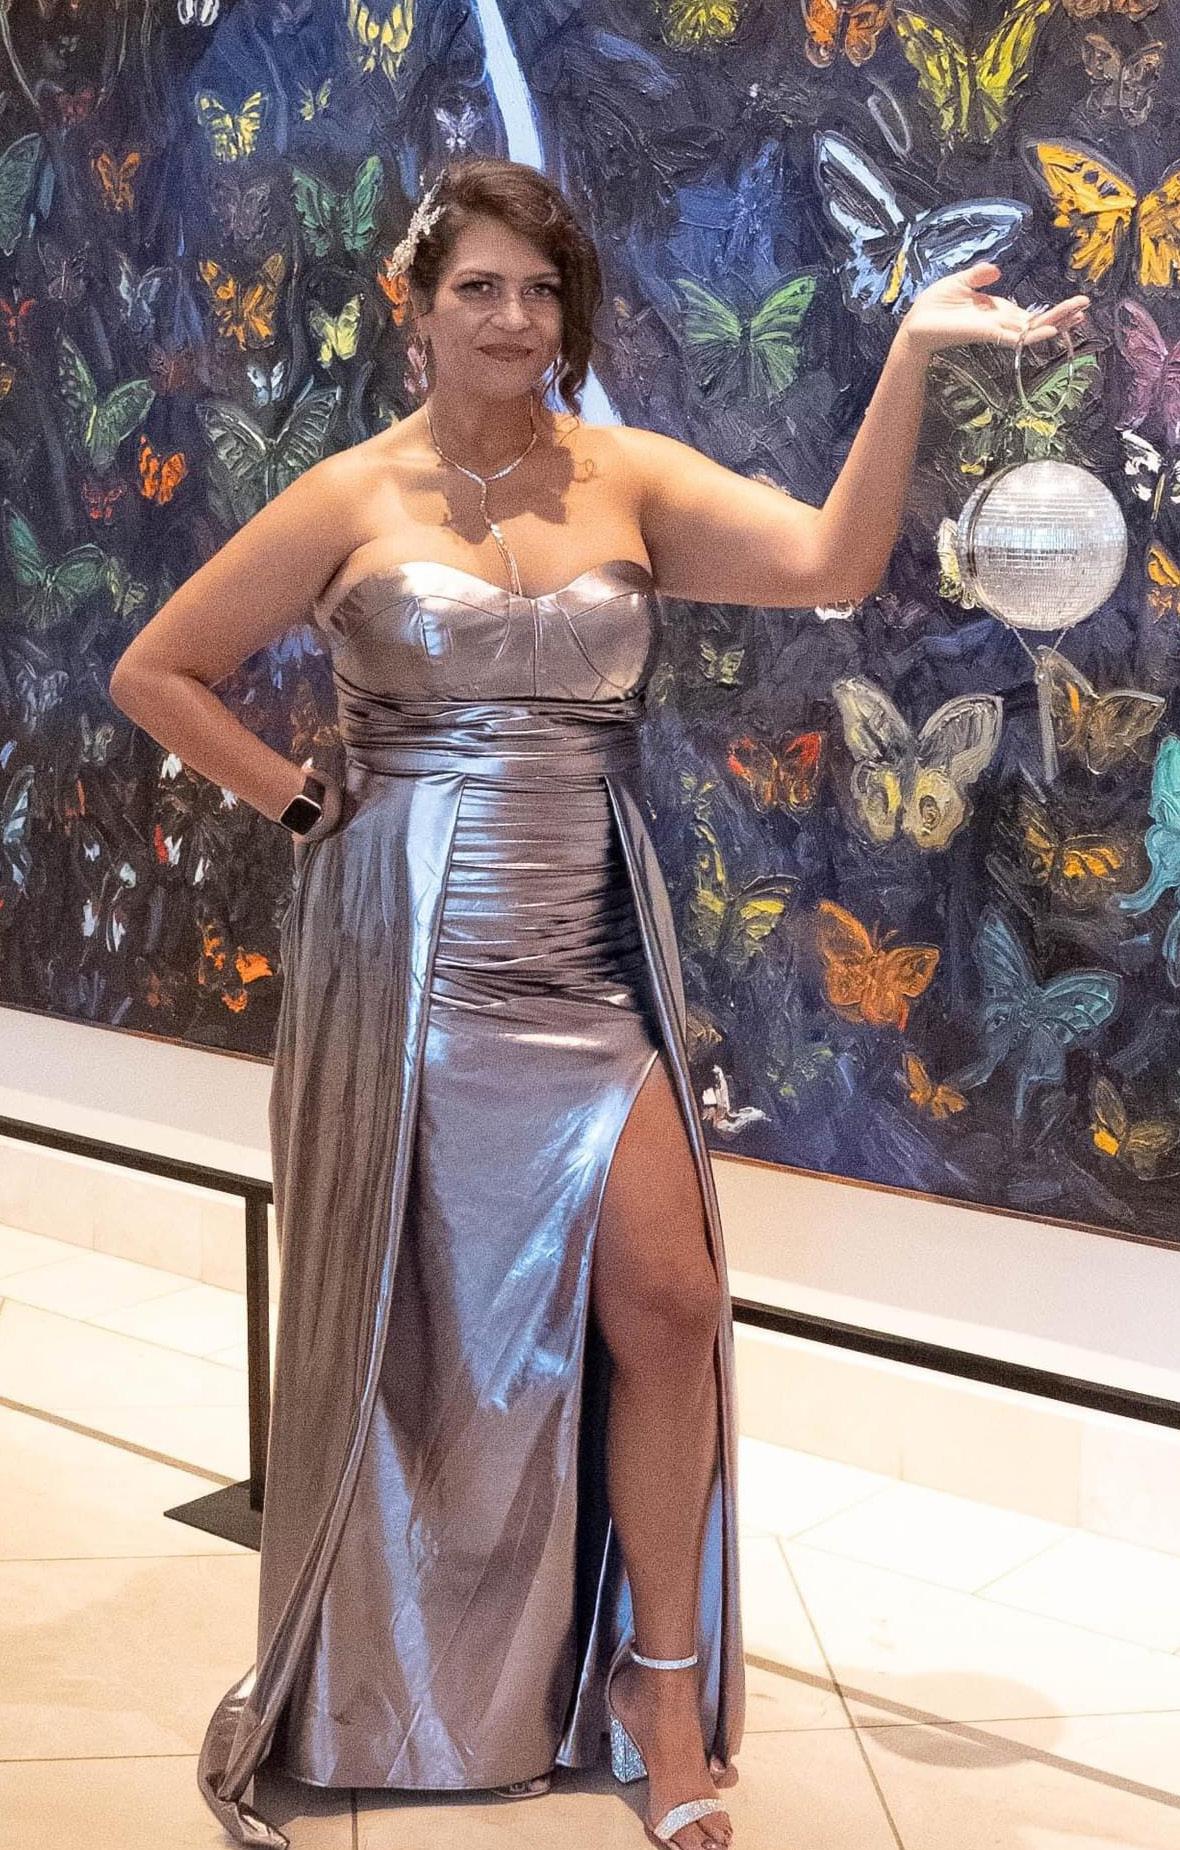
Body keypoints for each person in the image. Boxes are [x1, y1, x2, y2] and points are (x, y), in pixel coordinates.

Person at [108, 155, 1087, 1850]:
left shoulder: (623, 473)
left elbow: (835, 559)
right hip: (407, 968)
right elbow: (156, 669)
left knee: (672, 1301)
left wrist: (913, 353)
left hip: (586, 960)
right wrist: (300, 800)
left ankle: (660, 1679)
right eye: (479, 286)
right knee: (415, 1330)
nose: (515, 317)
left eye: (542, 288)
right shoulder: (348, 495)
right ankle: (397, 1673)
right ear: (415, 308)